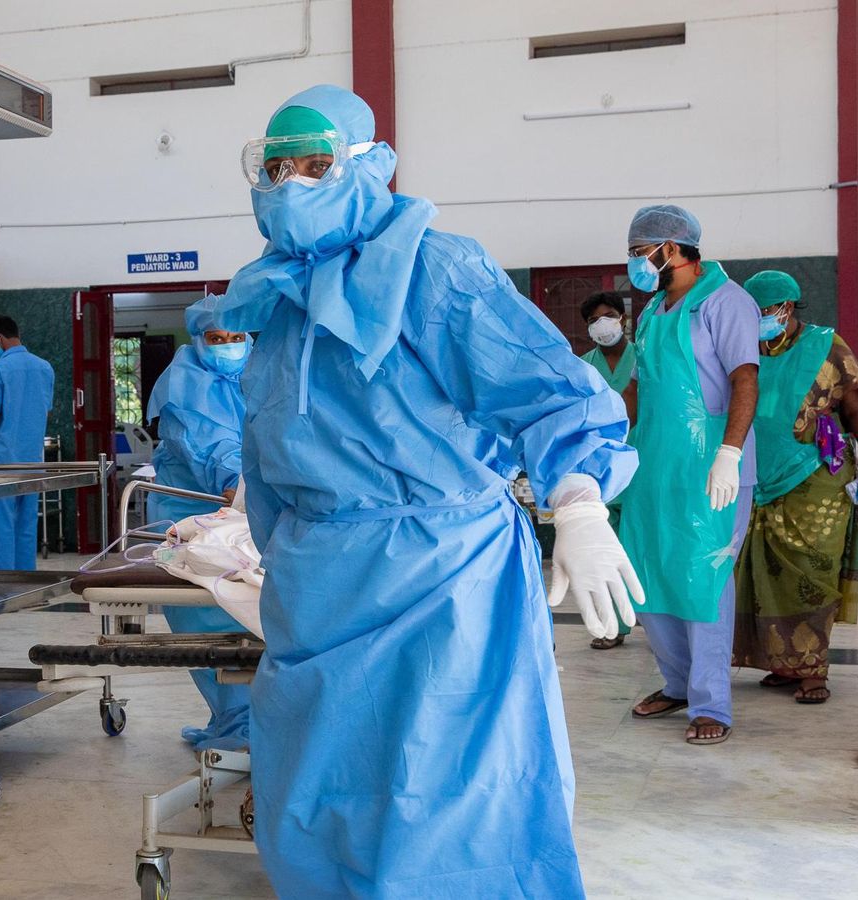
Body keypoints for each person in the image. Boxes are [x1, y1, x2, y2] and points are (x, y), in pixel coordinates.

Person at [193, 84, 642, 898]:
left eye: (318, 164)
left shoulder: (437, 270)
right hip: (318, 582)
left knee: (446, 800)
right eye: (277, 165)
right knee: (318, 794)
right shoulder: (276, 295)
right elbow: (275, 442)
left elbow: (550, 393)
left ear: (373, 168)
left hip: (443, 579)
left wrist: (579, 500)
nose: (293, 183)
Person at [620, 204, 760, 746]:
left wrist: (730, 452)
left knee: (703, 580)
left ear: (672, 250)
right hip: (653, 464)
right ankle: (677, 684)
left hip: (710, 469)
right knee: (650, 574)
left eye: (640, 253)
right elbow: (637, 387)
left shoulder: (726, 302)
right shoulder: (655, 309)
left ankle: (711, 704)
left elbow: (745, 380)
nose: (636, 263)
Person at [732, 270, 858, 705]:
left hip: (815, 477)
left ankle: (814, 670)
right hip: (758, 476)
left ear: (788, 308)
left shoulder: (828, 345)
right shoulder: (746, 351)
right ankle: (783, 664)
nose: (758, 320)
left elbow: (855, 404)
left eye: (764, 312)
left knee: (811, 572)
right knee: (761, 573)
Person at [143, 308, 253, 750]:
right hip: (190, 515)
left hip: (242, 514)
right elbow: (209, 446)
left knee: (247, 614)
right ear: (198, 339)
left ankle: (247, 720)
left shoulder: (258, 373)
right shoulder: (184, 383)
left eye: (236, 335)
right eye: (216, 337)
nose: (228, 345)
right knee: (205, 618)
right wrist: (240, 483)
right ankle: (237, 722)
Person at [579, 291, 637, 650]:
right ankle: (612, 625)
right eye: (592, 320)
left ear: (624, 319)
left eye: (609, 316)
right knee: (604, 548)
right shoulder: (583, 367)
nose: (602, 325)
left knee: (643, 544)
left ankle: (660, 621)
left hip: (646, 460)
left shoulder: (644, 357)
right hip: (602, 469)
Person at [0, 315, 54, 570]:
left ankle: (4, 585)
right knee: (27, 525)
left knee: (2, 525)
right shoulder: (44, 367)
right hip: (33, 461)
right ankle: (27, 581)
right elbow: (45, 411)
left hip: (3, 461)